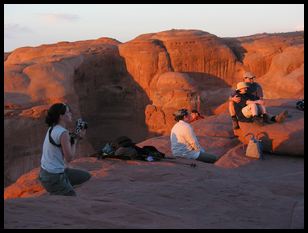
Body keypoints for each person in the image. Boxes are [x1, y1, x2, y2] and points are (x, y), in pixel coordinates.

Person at [39, 103, 91, 196]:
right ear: (61, 116)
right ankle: (61, 189)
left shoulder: (52, 127)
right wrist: (76, 140)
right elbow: (69, 158)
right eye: (68, 112)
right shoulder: (63, 133)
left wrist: (74, 137)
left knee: (86, 176)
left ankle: (62, 188)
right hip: (54, 177)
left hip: (45, 173)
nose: (70, 114)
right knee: (71, 198)